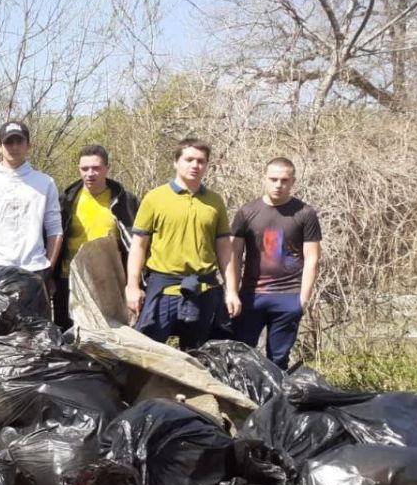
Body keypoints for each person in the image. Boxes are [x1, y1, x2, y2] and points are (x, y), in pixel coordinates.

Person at [126, 137, 241, 351]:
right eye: (189, 159)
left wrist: (231, 290)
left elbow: (225, 249)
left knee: (200, 355)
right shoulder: (155, 198)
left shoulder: (215, 201)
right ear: (176, 162)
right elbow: (138, 245)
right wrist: (132, 286)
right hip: (164, 288)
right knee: (149, 352)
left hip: (204, 289)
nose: (195, 165)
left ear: (207, 165)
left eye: (201, 161)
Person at [0, 120, 63, 317]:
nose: (14, 147)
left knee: (37, 342)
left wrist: (47, 268)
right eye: (9, 142)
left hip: (35, 272)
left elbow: (55, 230)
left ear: (28, 145)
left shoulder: (45, 182)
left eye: (19, 141)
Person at [230, 158, 322, 369]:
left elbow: (312, 257)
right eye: (273, 179)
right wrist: (233, 292)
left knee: (279, 360)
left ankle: (276, 401)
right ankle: (243, 401)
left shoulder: (305, 213)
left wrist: (303, 299)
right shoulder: (246, 212)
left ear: (293, 182)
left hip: (288, 296)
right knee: (241, 356)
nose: (278, 185)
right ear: (264, 178)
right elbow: (234, 256)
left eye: (284, 180)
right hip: (251, 296)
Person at [53, 144, 141, 329]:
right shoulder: (66, 201)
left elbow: (137, 244)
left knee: (110, 335)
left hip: (109, 281)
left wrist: (136, 283)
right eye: (84, 169)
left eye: (96, 168)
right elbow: (55, 239)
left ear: (107, 169)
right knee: (68, 335)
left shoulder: (124, 202)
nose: (90, 173)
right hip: (69, 279)